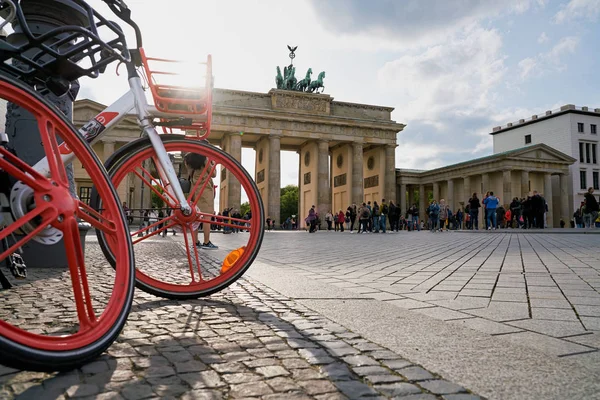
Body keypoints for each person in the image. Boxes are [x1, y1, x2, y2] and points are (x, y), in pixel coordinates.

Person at [185, 152, 218, 249]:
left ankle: (195, 242)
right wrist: (212, 162)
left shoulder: (189, 160)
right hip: (205, 190)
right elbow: (214, 174)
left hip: (194, 190)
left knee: (195, 217)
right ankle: (206, 242)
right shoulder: (205, 159)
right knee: (206, 217)